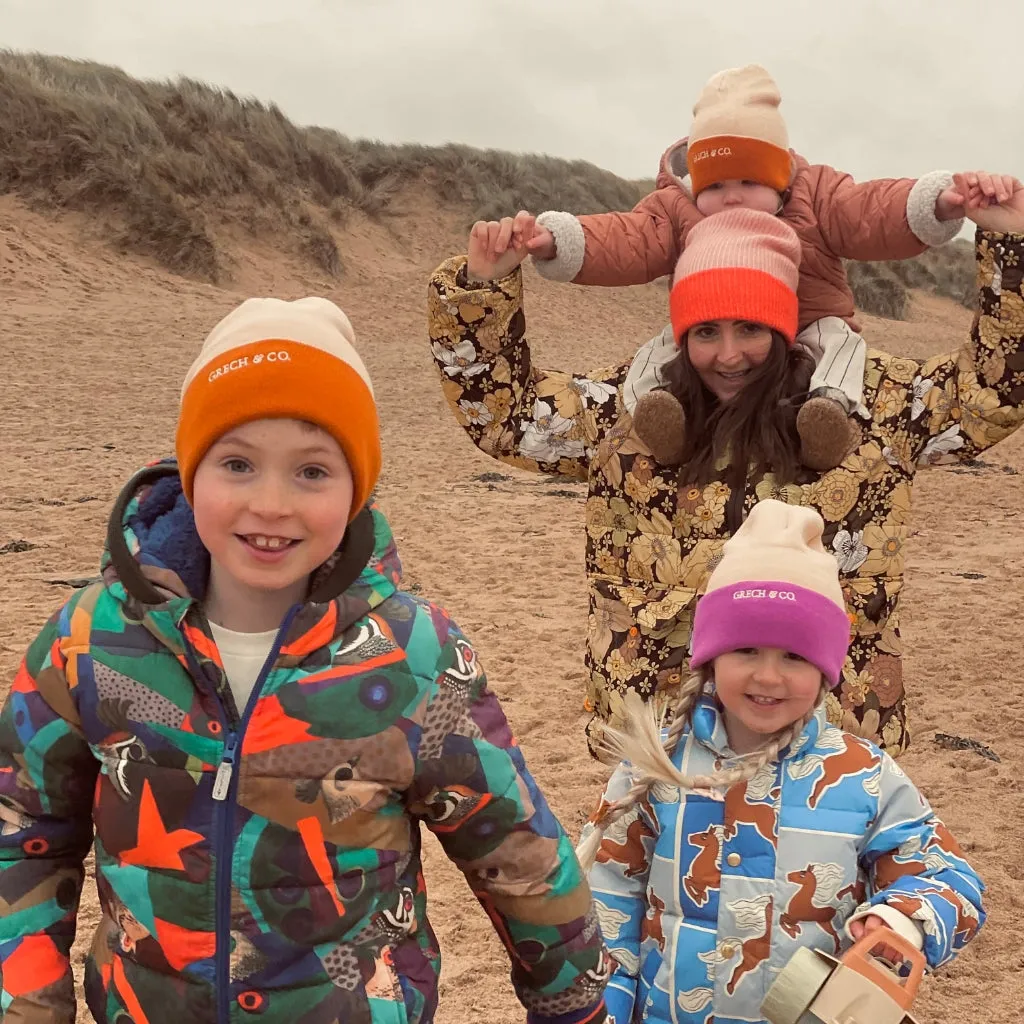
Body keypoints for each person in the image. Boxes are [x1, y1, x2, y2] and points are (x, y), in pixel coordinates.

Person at [0, 297, 610, 1023]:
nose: (272, 502)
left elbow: (513, 845)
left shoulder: (419, 656)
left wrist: (573, 1005)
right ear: (190, 473)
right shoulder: (88, 642)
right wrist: (27, 1004)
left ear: (358, 489)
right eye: (237, 463)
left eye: (312, 472)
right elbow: (23, 834)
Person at [426, 172, 1024, 759]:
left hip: (831, 744)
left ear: (784, 324)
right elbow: (507, 418)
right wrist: (483, 289)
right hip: (663, 743)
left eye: (751, 328)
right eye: (706, 331)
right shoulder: (625, 412)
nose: (729, 355)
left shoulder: (874, 406)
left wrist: (1009, 248)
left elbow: (991, 392)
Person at [577, 500, 984, 1024]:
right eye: (745, 649)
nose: (768, 677)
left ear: (825, 669)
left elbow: (950, 876)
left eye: (794, 656)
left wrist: (901, 921)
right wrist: (601, 1009)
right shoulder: (655, 765)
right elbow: (607, 895)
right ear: (709, 656)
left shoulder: (863, 775)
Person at [521, 64, 973, 471]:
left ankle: (828, 412)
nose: (731, 196)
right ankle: (657, 416)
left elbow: (871, 210)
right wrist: (557, 242)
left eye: (749, 182)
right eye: (715, 185)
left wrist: (935, 204)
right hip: (711, 324)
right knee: (657, 351)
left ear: (779, 180)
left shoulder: (816, 197)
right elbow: (627, 238)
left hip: (809, 321)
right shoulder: (678, 212)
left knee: (841, 342)